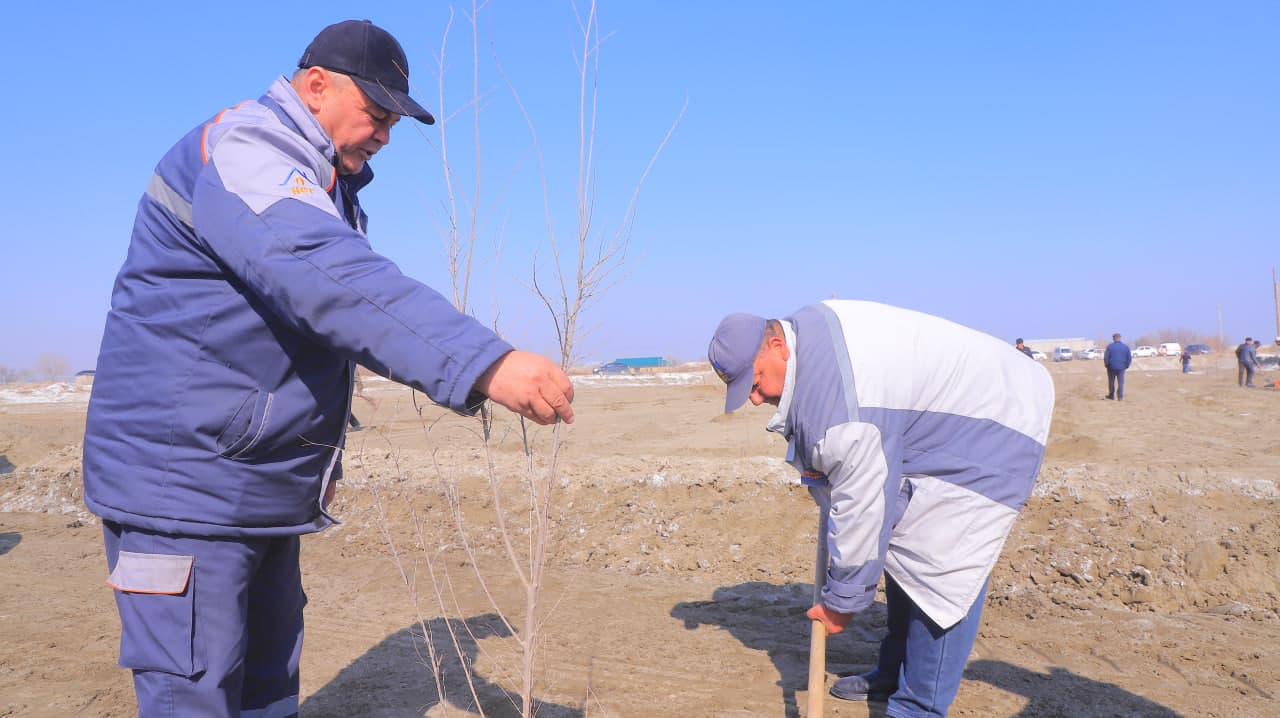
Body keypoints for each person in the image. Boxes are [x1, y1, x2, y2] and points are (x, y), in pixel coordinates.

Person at [81, 20, 574, 718]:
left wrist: (321, 461)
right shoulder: (247, 149)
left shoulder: (326, 186)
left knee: (268, 694)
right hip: (185, 495)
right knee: (192, 698)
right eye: (376, 113)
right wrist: (483, 361)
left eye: (394, 123)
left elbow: (297, 343)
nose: (384, 135)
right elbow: (328, 281)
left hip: (257, 490)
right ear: (316, 86)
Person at [707, 300, 1054, 717]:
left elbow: (862, 506)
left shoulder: (842, 405)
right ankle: (893, 673)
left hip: (997, 417)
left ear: (778, 345)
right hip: (942, 412)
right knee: (903, 542)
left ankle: (917, 706)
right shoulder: (808, 345)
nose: (756, 399)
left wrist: (842, 602)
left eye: (757, 381)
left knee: (942, 563)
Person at [1103, 333, 1132, 400]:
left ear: (1113, 338)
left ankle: (1111, 395)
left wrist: (1107, 365)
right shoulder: (1125, 347)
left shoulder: (1110, 347)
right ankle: (1120, 397)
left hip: (1111, 367)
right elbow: (1129, 358)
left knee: (1111, 382)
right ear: (1120, 338)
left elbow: (1106, 357)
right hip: (1121, 367)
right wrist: (1126, 366)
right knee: (1121, 382)